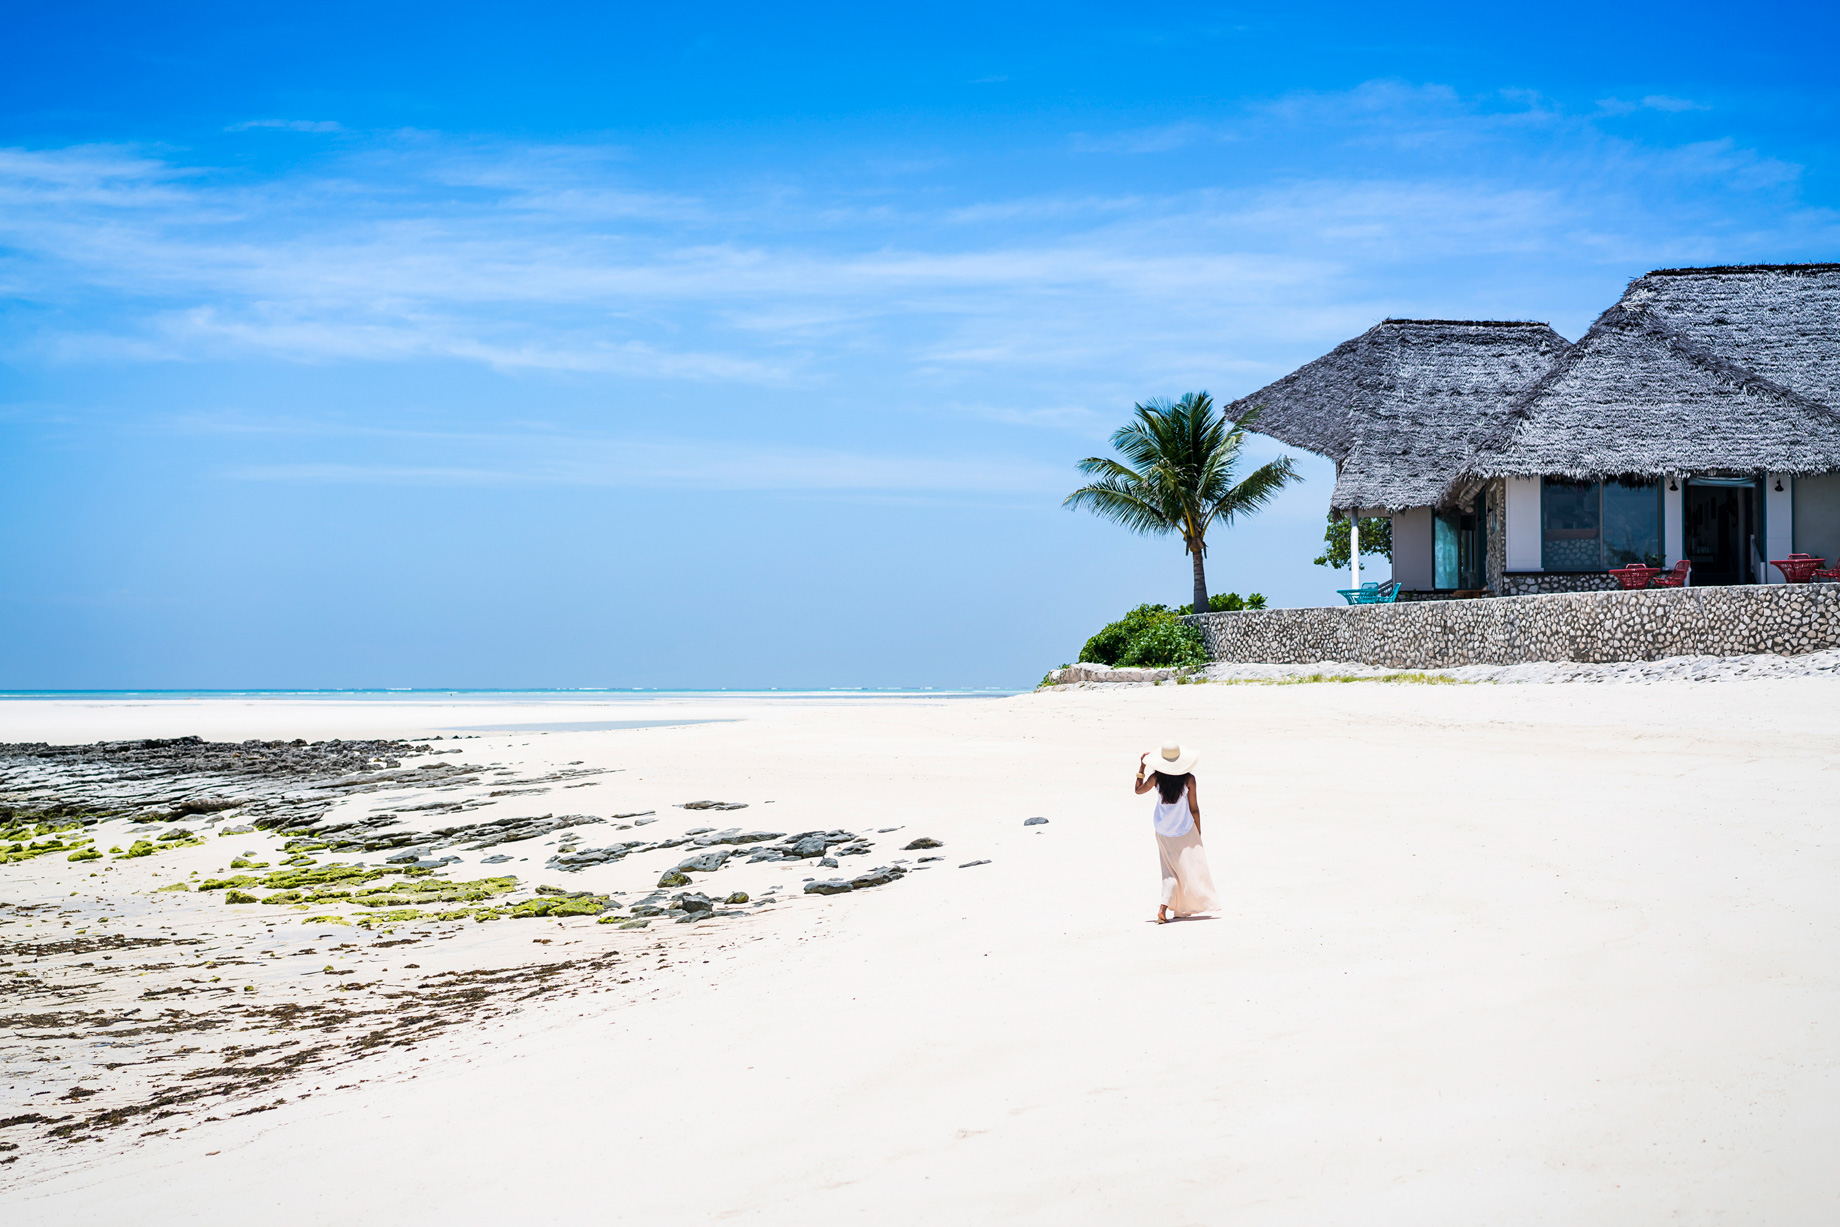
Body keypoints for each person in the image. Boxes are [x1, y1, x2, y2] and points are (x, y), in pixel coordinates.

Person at [1135, 742, 1221, 924]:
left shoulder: (1156, 778)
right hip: (1184, 829)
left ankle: (1170, 909)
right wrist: (1198, 831)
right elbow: (1194, 808)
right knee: (1188, 869)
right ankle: (1173, 908)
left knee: (1169, 871)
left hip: (1163, 829)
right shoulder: (1189, 779)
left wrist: (1142, 766)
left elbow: (1138, 790)